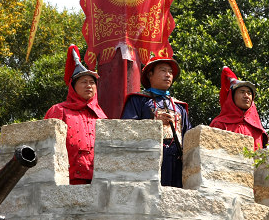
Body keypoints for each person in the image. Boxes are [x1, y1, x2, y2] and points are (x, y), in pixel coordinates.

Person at [121, 55, 192, 188]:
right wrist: (154, 123)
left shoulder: (179, 107)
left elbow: (188, 135)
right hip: (147, 160)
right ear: (150, 74)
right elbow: (126, 129)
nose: (168, 75)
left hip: (176, 162)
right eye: (163, 70)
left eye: (170, 72)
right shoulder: (138, 100)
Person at [44, 45, 107, 184]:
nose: (89, 86)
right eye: (84, 82)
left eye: (92, 82)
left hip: (98, 181)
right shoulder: (59, 110)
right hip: (66, 180)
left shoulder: (101, 115)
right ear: (73, 87)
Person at [210, 66, 268, 151]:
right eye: (242, 92)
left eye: (249, 93)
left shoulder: (258, 129)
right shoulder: (219, 124)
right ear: (232, 97)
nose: (246, 96)